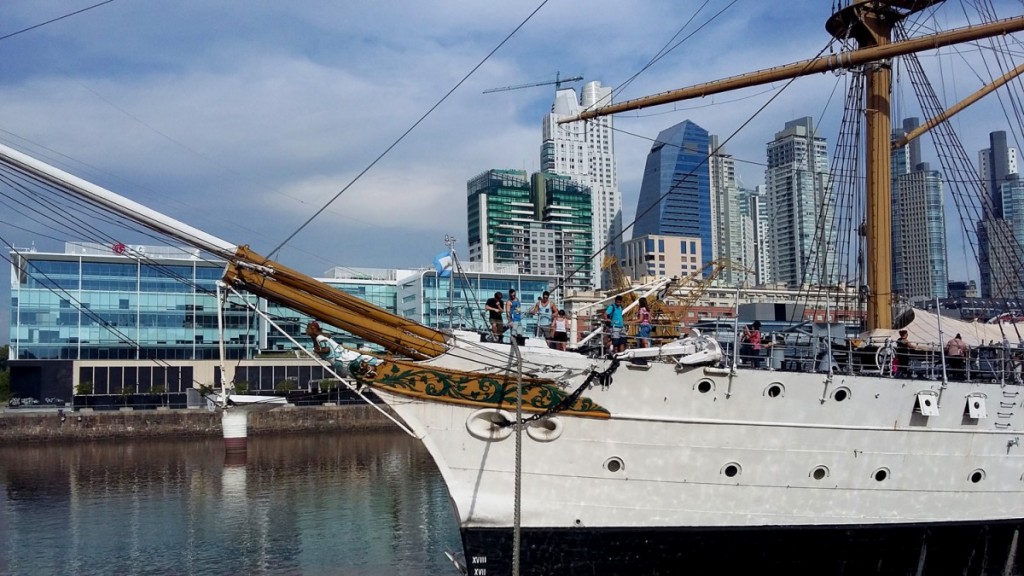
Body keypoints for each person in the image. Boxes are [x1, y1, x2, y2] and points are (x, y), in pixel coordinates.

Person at [306, 322, 381, 381]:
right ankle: (373, 366)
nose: (306, 331)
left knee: (352, 369)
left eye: (307, 329)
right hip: (341, 356)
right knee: (359, 362)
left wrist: (316, 351)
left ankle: (369, 370)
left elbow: (326, 349)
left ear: (313, 329)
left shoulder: (320, 338)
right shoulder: (320, 337)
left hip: (338, 359)